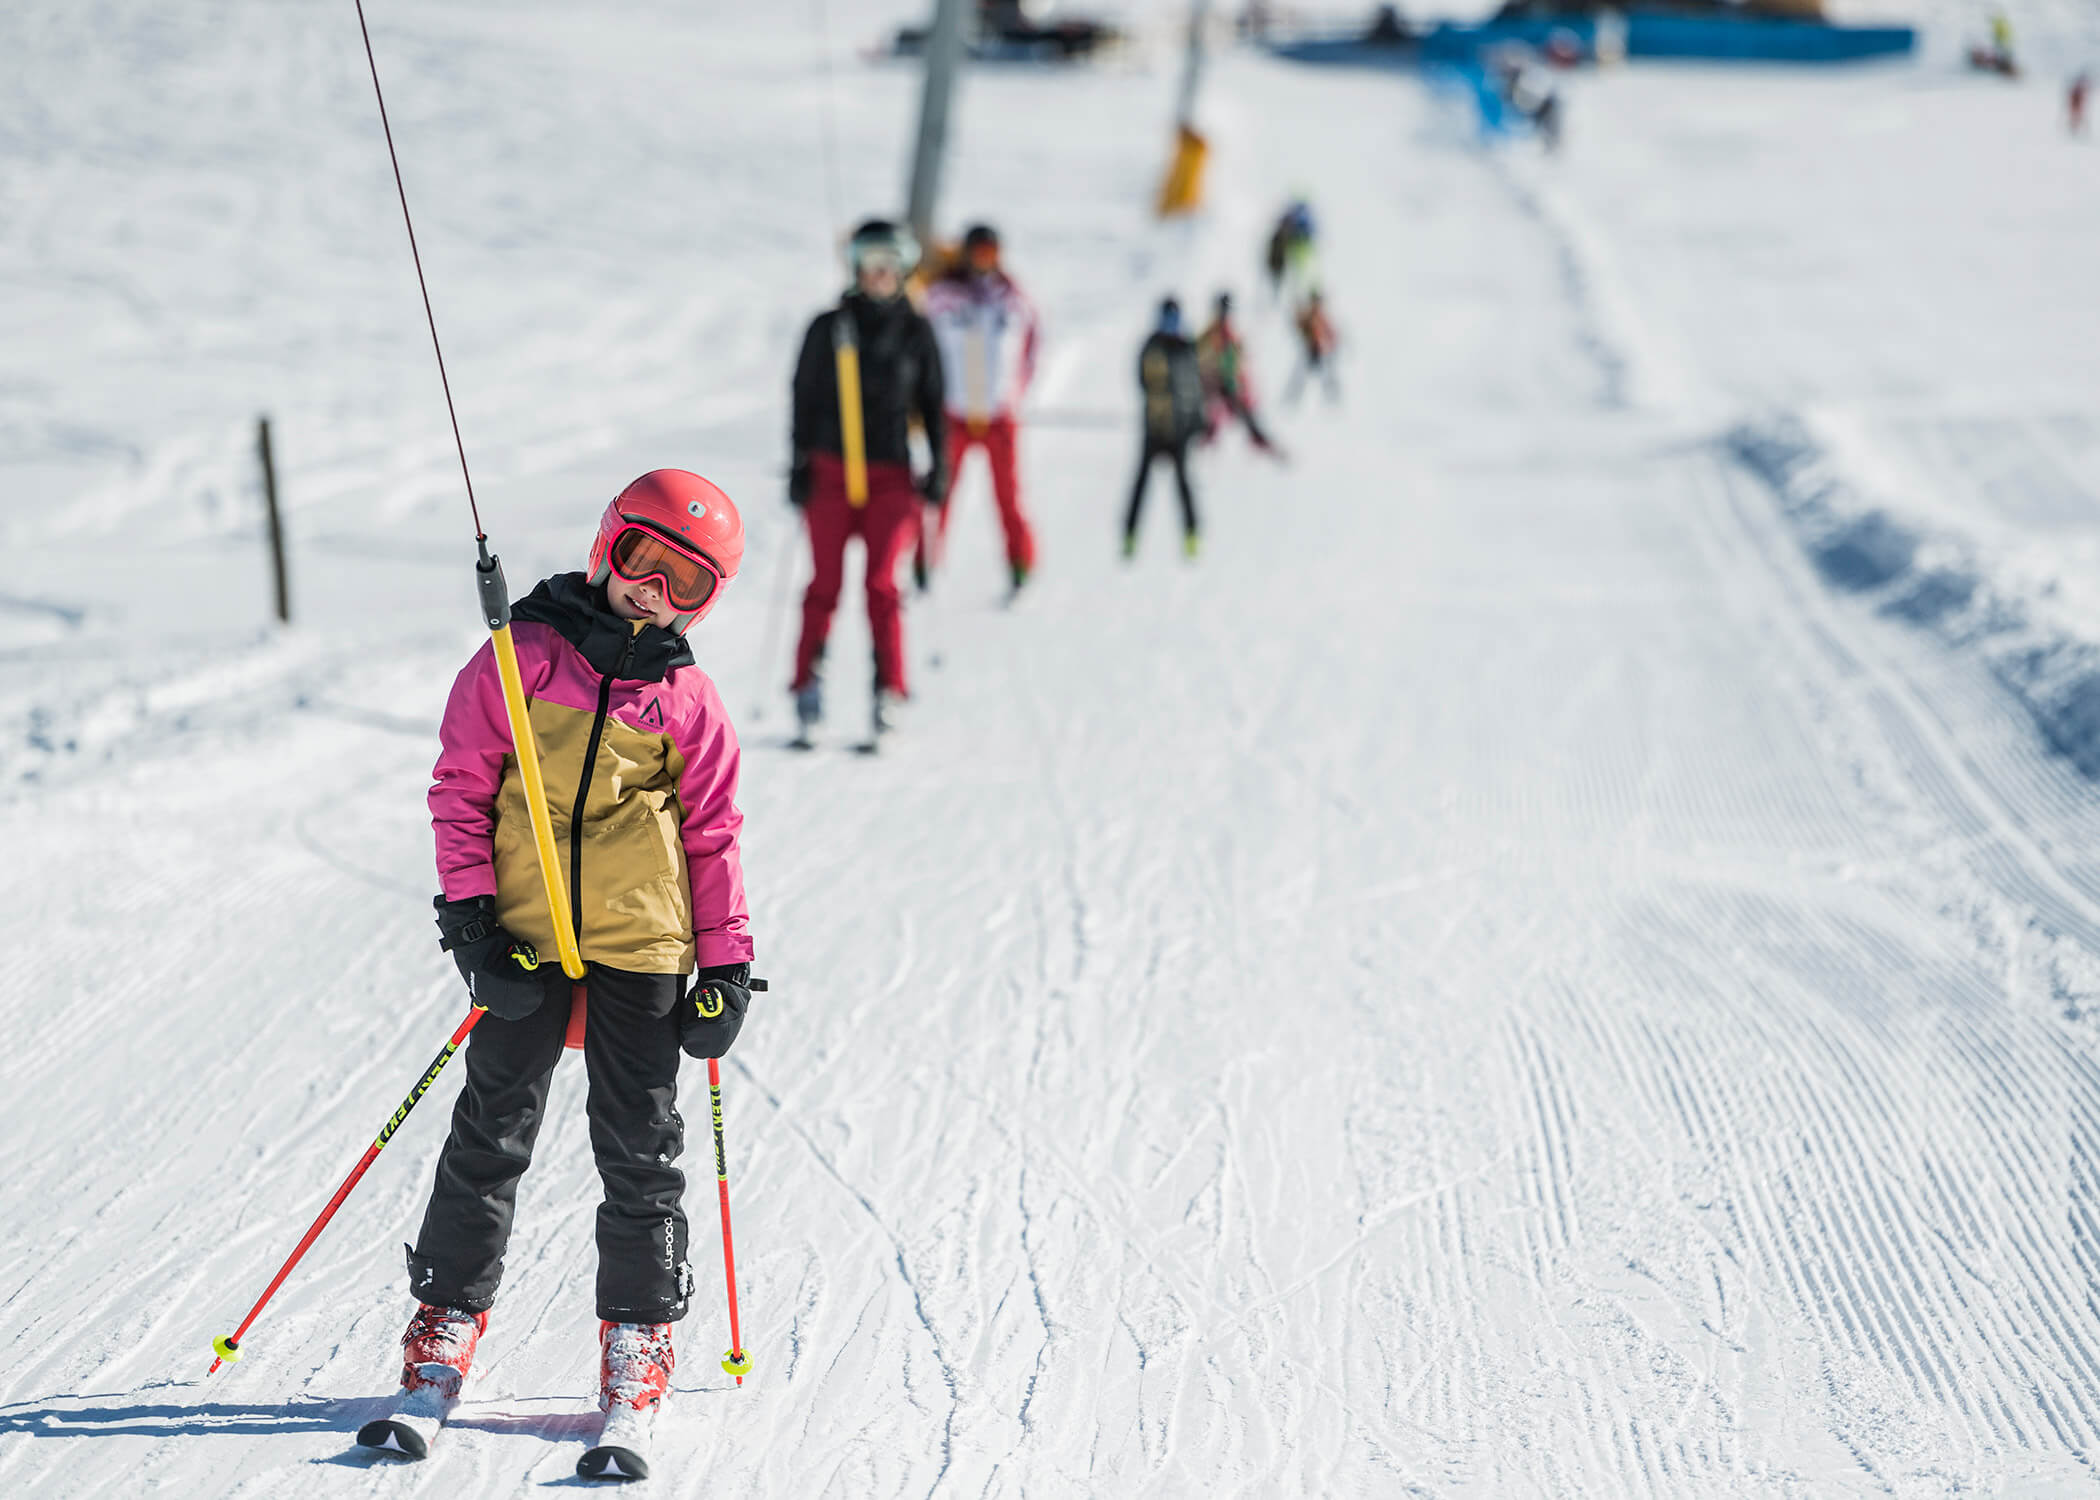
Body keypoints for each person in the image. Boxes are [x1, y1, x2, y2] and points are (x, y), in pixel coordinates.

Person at [397, 469, 756, 1441]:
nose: (654, 592)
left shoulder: (686, 700)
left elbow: (713, 835)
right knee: (491, 1129)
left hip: (642, 941)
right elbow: (459, 790)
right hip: (525, 938)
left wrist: (724, 968)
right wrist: (472, 925)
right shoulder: (518, 661)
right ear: (610, 547)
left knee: (639, 1146)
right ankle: (446, 1319)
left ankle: (638, 1339)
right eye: (645, 561)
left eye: (686, 584)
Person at [788, 219, 947, 742]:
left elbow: (932, 402)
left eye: (890, 262)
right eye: (870, 261)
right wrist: (799, 462)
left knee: (881, 584)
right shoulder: (829, 327)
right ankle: (807, 688)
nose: (880, 272)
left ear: (902, 269)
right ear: (856, 266)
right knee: (825, 584)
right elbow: (804, 397)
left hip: (891, 478)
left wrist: (940, 465)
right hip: (831, 473)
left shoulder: (916, 331)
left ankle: (888, 691)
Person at [918, 223, 1041, 595]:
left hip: (998, 416)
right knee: (940, 491)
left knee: (1009, 495)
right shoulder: (943, 295)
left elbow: (1034, 345)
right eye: (979, 252)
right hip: (954, 413)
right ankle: (924, 562)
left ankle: (1020, 563)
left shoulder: (1012, 299)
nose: (985, 260)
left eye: (992, 252)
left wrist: (1016, 393)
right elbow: (921, 343)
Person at [1124, 298, 1208, 559]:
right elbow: (1143, 380)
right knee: (1141, 484)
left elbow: (1196, 387)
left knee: (1183, 484)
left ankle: (1192, 535)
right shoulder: (1152, 347)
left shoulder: (1186, 348)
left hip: (1179, 430)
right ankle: (1130, 535)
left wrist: (1195, 419)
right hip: (1155, 428)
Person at [1195, 290, 1281, 457]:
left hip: (1228, 383)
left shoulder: (1226, 333)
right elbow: (1200, 355)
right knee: (1215, 415)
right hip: (1217, 382)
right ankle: (1208, 441)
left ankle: (1259, 441)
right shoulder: (1213, 332)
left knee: (1242, 415)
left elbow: (1236, 359)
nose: (1224, 314)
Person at [1284, 287, 1341, 406]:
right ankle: (1292, 397)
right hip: (1310, 350)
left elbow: (1329, 332)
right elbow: (1299, 325)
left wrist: (1331, 343)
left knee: (1327, 374)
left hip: (1319, 350)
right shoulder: (1308, 315)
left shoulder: (1319, 316)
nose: (1316, 304)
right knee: (1300, 375)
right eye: (1315, 301)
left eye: (1317, 302)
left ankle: (1332, 394)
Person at [1264, 199, 1318, 302]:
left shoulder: (1286, 228)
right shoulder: (1299, 227)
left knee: (1295, 280)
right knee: (1299, 278)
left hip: (1292, 255)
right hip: (1296, 254)